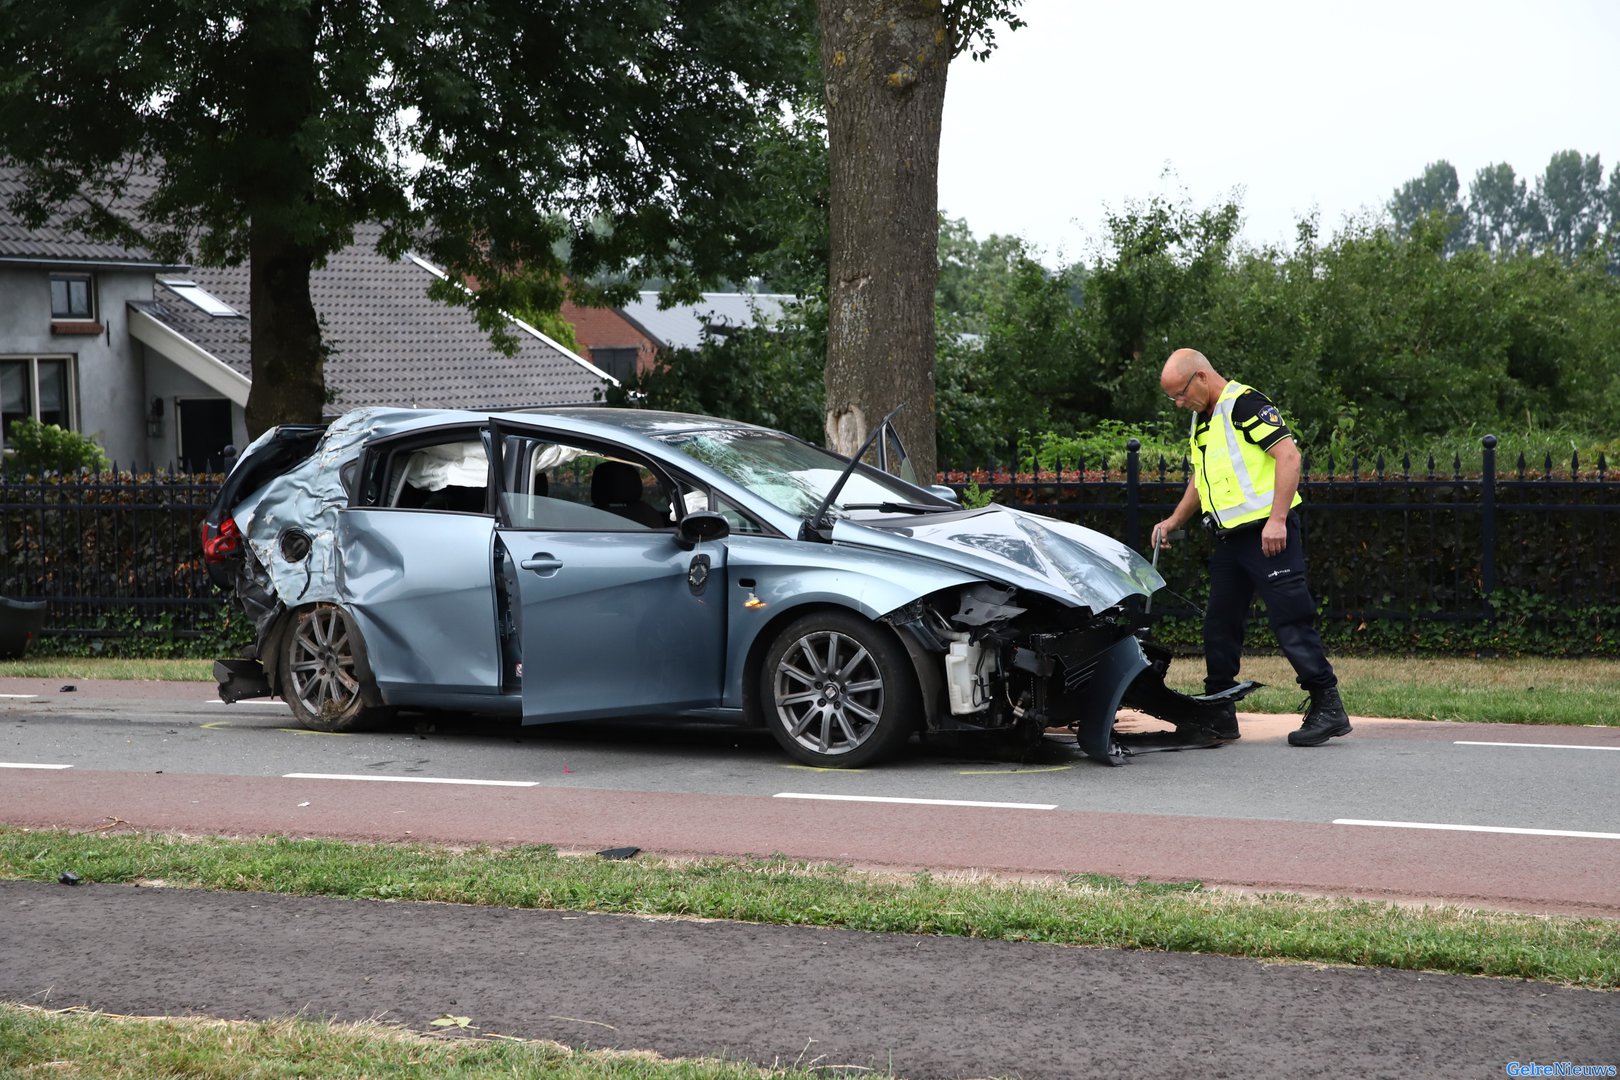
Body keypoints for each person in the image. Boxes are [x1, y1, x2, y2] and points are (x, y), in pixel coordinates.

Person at [1149, 348, 1351, 747]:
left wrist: (1277, 520)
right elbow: (1200, 479)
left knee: (1291, 619)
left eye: (1179, 393)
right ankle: (1220, 713)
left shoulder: (1245, 404)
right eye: (1172, 397)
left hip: (1268, 534)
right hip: (1230, 539)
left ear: (1202, 377)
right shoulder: (1202, 419)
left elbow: (1288, 456)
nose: (1177, 404)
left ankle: (1328, 705)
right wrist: (1173, 521)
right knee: (1220, 625)